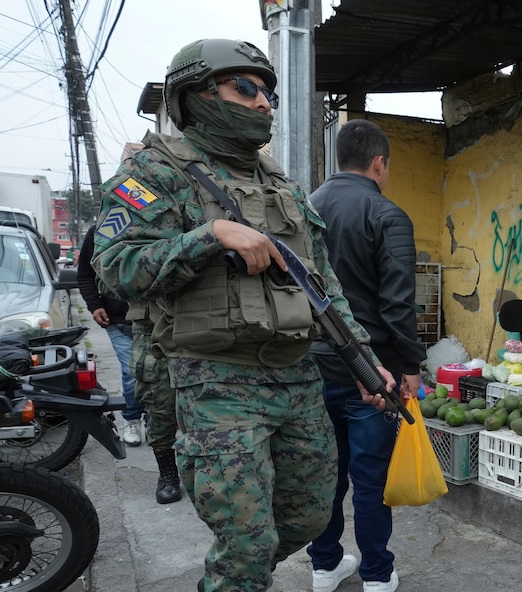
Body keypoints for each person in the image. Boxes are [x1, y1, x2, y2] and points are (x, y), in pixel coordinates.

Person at [90, 38, 395, 592]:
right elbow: (115, 266)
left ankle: (237, 573)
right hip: (217, 383)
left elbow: (324, 286)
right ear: (195, 95)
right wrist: (209, 236)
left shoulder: (281, 185)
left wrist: (365, 363)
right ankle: (237, 574)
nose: (264, 104)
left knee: (309, 518)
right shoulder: (156, 175)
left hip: (298, 377)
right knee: (246, 545)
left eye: (269, 93)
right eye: (246, 88)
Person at [304, 119, 425, 592]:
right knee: (371, 478)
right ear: (379, 162)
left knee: (325, 473)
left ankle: (324, 565)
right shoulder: (386, 214)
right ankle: (376, 574)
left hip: (311, 365)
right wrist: (411, 365)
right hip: (370, 373)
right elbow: (398, 304)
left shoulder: (304, 207)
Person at [76, 224, 147, 446]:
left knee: (158, 374)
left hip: (155, 320)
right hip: (118, 321)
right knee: (133, 372)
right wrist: (95, 305)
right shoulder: (100, 231)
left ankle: (155, 420)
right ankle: (132, 419)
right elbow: (85, 274)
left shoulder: (156, 224)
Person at [127, 299, 182, 504]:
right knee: (160, 404)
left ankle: (206, 470)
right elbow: (109, 281)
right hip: (153, 330)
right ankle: (168, 474)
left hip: (205, 322)